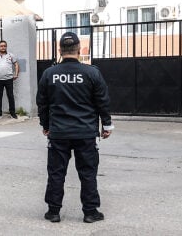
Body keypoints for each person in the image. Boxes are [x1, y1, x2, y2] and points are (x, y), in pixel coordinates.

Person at [36, 31, 114, 224]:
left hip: (59, 133)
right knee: (87, 173)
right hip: (85, 133)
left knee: (56, 173)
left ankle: (53, 212)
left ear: (60, 50)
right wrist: (107, 124)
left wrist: (46, 125)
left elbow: (42, 103)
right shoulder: (92, 73)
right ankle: (90, 212)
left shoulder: (49, 74)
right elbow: (102, 101)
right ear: (79, 49)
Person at [0, 40, 19, 120]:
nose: (3, 47)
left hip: (9, 79)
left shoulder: (11, 55)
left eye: (4, 46)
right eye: (1, 46)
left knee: (10, 96)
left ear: (6, 47)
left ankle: (13, 113)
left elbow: (16, 65)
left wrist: (16, 74)